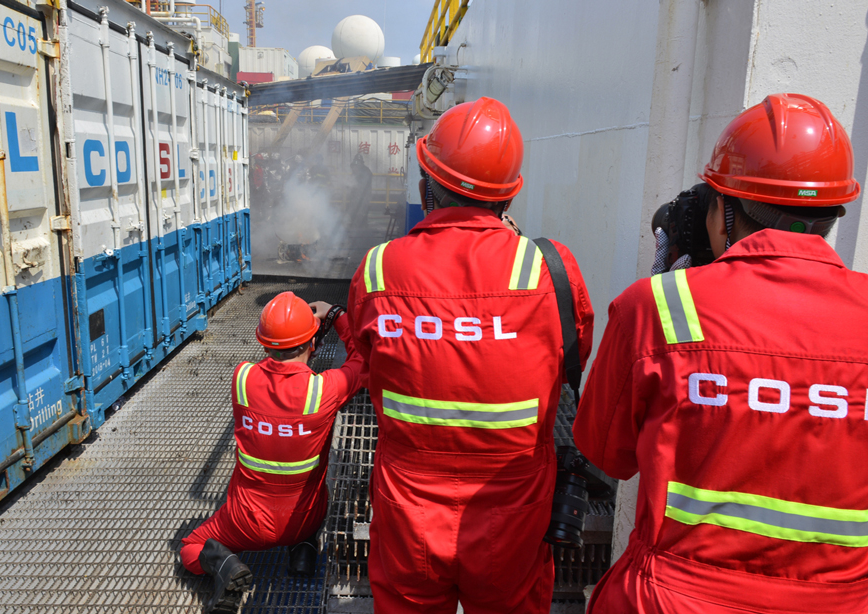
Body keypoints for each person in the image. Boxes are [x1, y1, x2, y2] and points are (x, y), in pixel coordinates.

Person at [573, 93, 867, 613]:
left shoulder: (659, 307)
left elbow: (605, 452)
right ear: (831, 215)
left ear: (723, 212)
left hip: (671, 600)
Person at [347, 97, 595, 613]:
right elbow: (571, 360)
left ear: (426, 188)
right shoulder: (549, 269)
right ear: (509, 195)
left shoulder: (378, 269)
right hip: (515, 511)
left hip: (407, 509)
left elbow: (368, 365)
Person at [180, 292, 367, 613]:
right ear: (312, 343)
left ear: (264, 344)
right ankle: (303, 549)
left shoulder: (242, 378)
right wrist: (336, 315)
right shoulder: (325, 389)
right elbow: (363, 359)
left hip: (245, 523)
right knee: (318, 489)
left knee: (190, 547)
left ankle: (225, 565)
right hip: (304, 518)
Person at [348, 154, 374, 229]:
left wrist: (355, 186)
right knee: (354, 211)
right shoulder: (356, 171)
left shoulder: (366, 171)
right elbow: (352, 181)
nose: (354, 168)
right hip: (356, 196)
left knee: (362, 212)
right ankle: (355, 226)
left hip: (364, 196)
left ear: (361, 163)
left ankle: (363, 228)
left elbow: (364, 184)